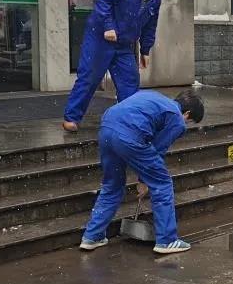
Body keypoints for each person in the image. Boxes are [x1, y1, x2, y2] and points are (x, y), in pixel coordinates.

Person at [80, 89, 205, 255]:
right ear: (187, 113)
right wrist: (144, 180)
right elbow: (158, 148)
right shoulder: (177, 118)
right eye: (189, 121)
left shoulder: (152, 96)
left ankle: (92, 236)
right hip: (129, 134)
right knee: (162, 183)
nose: (186, 125)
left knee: (112, 185)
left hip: (106, 128)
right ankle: (167, 240)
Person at [62, 0, 166, 131]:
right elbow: (103, 2)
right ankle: (71, 118)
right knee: (89, 78)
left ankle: (127, 121)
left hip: (124, 43)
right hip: (99, 38)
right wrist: (108, 26)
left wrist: (145, 50)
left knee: (130, 81)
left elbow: (150, 26)